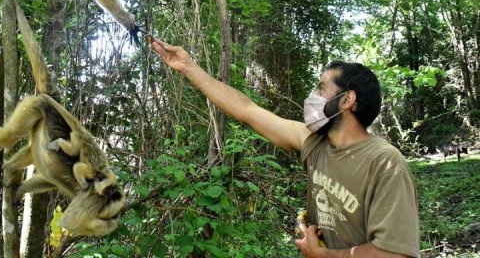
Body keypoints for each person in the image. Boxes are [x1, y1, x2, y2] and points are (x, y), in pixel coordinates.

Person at [151, 39, 419, 258]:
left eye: (321, 89)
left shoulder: (384, 163)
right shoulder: (314, 142)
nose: (312, 97)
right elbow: (247, 110)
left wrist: (324, 256)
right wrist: (189, 68)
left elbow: (397, 254)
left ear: (347, 99)